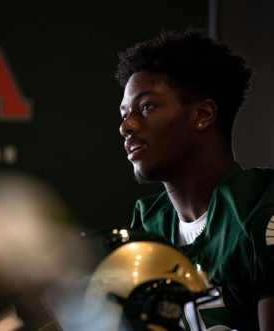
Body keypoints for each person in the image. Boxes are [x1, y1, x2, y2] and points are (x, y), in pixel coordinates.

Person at [116, 28, 274, 330]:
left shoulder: (260, 208)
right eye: (124, 113)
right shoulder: (148, 226)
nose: (126, 126)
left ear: (203, 114)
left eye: (146, 107)